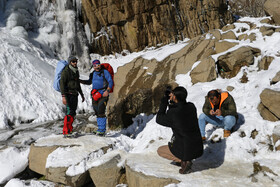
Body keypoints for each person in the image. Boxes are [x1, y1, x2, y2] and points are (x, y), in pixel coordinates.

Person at [156, 86, 203, 174]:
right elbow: (178, 113)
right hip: (197, 147)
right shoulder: (191, 107)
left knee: (160, 150)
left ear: (175, 97)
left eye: (172, 94)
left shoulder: (173, 113)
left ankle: (184, 160)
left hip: (185, 148)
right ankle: (185, 159)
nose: (170, 95)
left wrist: (164, 101)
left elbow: (159, 119)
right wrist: (173, 102)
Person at [80, 60, 113, 136]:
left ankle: (102, 130)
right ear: (93, 66)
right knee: (97, 111)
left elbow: (110, 81)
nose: (96, 67)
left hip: (103, 94)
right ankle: (99, 129)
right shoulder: (93, 74)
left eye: (98, 65)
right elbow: (89, 82)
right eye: (95, 66)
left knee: (101, 110)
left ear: (100, 65)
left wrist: (107, 91)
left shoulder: (104, 72)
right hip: (95, 94)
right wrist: (80, 81)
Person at [60, 56, 85, 137]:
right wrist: (63, 96)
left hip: (75, 94)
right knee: (69, 112)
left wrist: (82, 94)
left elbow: (77, 84)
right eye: (73, 61)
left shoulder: (76, 71)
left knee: (73, 113)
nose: (75, 63)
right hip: (68, 94)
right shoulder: (66, 71)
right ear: (70, 62)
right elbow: (62, 84)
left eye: (76, 61)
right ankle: (66, 132)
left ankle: (69, 130)